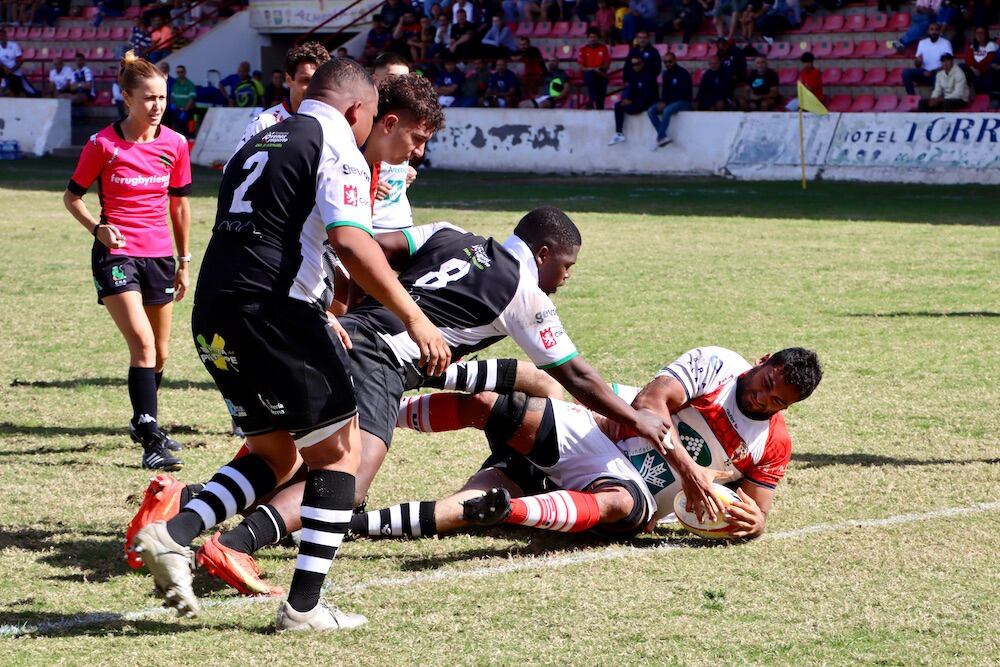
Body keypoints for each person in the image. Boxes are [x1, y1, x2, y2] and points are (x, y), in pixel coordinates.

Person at [149, 210, 702, 597]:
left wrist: (332, 300)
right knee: (348, 480)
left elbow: (368, 247)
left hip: (339, 336)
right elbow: (576, 373)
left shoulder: (448, 233)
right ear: (544, 252)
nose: (566, 278)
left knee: (289, 456)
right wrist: (637, 418)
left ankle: (178, 514)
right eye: (568, 266)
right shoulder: (524, 294)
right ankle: (237, 544)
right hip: (378, 363)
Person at [130, 58, 449, 630]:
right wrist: (415, 318)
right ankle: (303, 606)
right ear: (358, 109)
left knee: (278, 455)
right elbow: (351, 241)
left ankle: (173, 532)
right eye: (371, 116)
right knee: (341, 455)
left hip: (214, 313)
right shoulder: (336, 144)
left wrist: (317, 304)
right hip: (273, 313)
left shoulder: (262, 138)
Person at [355, 346, 822, 542]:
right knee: (494, 403)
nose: (762, 397)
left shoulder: (773, 443)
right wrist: (688, 469)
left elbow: (754, 511)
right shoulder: (719, 365)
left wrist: (751, 524)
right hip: (595, 437)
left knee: (466, 509)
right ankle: (369, 415)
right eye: (766, 382)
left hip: (627, 491)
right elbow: (650, 404)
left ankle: (357, 524)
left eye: (776, 400)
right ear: (762, 361)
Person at [62, 51, 192, 471]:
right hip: (117, 254)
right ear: (127, 98)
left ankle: (142, 418)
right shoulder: (102, 144)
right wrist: (96, 228)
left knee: (162, 353)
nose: (157, 106)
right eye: (149, 98)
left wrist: (184, 260)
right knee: (143, 344)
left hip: (159, 257)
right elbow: (72, 197)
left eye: (162, 98)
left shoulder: (175, 144)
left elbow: (179, 208)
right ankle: (152, 437)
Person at [234, 42, 331, 153]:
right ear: (289, 80)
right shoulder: (264, 123)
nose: (313, 87)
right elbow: (234, 168)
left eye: (318, 81)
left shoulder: (334, 124)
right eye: (305, 80)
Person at [608, 55, 659, 145]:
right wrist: (627, 99)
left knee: (627, 106)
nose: (636, 66)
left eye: (638, 64)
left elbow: (649, 96)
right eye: (633, 64)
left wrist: (632, 101)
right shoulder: (633, 76)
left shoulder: (649, 76)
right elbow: (633, 91)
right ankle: (619, 133)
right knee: (618, 105)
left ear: (642, 63)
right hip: (636, 102)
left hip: (647, 103)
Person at [647, 51, 691, 149]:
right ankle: (663, 136)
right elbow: (665, 91)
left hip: (684, 101)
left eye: (670, 61)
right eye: (665, 62)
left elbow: (683, 93)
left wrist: (666, 102)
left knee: (667, 110)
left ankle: (659, 138)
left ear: (675, 61)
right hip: (670, 101)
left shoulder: (683, 73)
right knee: (651, 111)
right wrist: (663, 101)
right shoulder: (665, 74)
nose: (668, 64)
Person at [901, 23, 952, 95]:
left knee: (938, 81)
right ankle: (912, 97)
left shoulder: (946, 43)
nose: (934, 32)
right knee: (905, 73)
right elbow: (917, 65)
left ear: (939, 31)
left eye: (936, 30)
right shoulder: (922, 43)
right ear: (928, 31)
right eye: (931, 29)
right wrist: (918, 61)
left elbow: (948, 65)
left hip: (938, 73)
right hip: (924, 73)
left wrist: (933, 72)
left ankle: (937, 100)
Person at [577, 28, 610, 110]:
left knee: (601, 86)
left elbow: (606, 65)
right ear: (588, 38)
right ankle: (593, 102)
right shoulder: (583, 49)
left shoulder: (603, 48)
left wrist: (599, 69)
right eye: (591, 37)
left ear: (598, 38)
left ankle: (594, 104)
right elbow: (581, 67)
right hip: (588, 74)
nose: (592, 39)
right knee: (591, 76)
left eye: (594, 37)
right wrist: (592, 69)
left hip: (600, 73)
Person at [963, 26, 995, 95]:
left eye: (981, 33)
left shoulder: (991, 45)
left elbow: (988, 61)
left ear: (986, 34)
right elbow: (968, 59)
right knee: (961, 66)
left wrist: (976, 68)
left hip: (986, 71)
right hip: (974, 70)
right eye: (977, 33)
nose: (979, 35)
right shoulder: (973, 46)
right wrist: (973, 68)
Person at [169, 64, 197, 137]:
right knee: (178, 131)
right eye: (178, 72)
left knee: (189, 130)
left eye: (181, 72)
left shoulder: (190, 84)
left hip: (187, 112)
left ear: (185, 72)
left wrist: (185, 110)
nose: (180, 74)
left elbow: (191, 98)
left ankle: (190, 141)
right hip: (177, 111)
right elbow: (172, 97)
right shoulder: (175, 84)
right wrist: (173, 105)